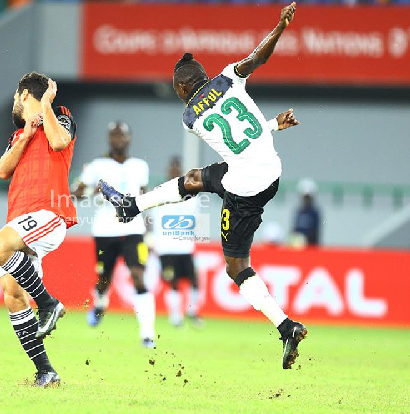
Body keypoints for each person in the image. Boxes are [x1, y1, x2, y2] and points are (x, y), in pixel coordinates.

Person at [99, 3, 308, 369]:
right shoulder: (228, 77)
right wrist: (278, 28)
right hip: (268, 170)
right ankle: (132, 206)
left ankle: (286, 326)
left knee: (236, 266)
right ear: (206, 75)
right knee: (195, 178)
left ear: (182, 87)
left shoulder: (190, 116)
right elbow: (257, 60)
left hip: (244, 188)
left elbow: (226, 133)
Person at [0, 72, 78, 387]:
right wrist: (25, 135)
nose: (14, 101)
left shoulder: (62, 117)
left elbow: (58, 141)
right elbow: (2, 170)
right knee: (13, 294)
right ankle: (46, 371)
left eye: (16, 96)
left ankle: (50, 303)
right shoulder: (18, 136)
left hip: (49, 212)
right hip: (20, 218)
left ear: (25, 95)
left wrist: (49, 105)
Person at [73, 121, 156, 348]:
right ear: (109, 139)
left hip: (133, 230)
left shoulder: (140, 166)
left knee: (139, 276)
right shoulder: (96, 166)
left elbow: (144, 200)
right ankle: (100, 303)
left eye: (122, 136)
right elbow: (77, 193)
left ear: (129, 139)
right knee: (103, 278)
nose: (118, 140)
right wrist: (88, 188)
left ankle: (147, 333)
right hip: (105, 231)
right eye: (114, 136)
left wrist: (150, 232)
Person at [150, 156, 203, 328]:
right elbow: (149, 219)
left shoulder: (190, 194)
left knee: (194, 280)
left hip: (185, 247)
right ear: (168, 171)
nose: (174, 172)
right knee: (172, 282)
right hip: (165, 248)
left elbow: (196, 220)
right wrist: (150, 240)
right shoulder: (159, 192)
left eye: (177, 169)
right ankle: (175, 316)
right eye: (172, 169)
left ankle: (193, 311)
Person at [292, 178, 321, 246]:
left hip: (311, 246)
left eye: (308, 197)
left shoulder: (314, 213)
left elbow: (315, 233)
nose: (306, 200)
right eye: (305, 197)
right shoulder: (298, 212)